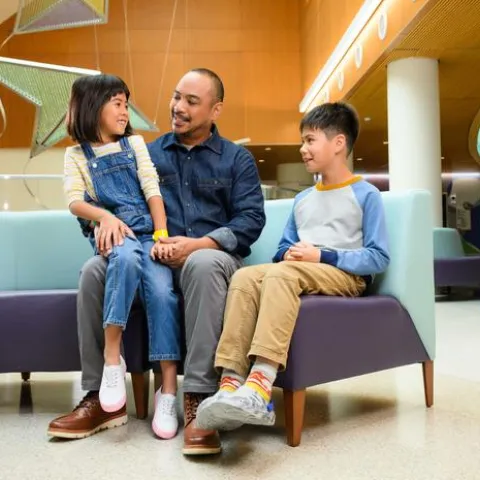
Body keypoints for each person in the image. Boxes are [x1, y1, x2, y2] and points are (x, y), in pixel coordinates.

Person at [48, 69, 266, 454]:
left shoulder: (237, 160)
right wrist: (100, 227)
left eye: (191, 102)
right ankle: (99, 396)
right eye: (176, 97)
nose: (178, 108)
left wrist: (199, 243)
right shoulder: (144, 151)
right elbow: (101, 202)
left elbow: (250, 221)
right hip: (150, 252)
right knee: (93, 272)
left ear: (216, 109)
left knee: (200, 264)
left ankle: (198, 397)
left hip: (210, 260)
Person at [195, 102, 390, 431]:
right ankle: (230, 383)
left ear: (338, 143)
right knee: (244, 276)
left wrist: (321, 255)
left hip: (346, 277)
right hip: (302, 271)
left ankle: (260, 385)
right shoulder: (303, 200)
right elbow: (283, 249)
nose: (303, 148)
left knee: (284, 274)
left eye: (310, 140)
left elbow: (377, 257)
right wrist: (290, 255)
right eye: (303, 141)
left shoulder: (366, 194)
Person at [61, 74, 181, 439]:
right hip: (115, 235)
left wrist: (161, 234)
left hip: (148, 233)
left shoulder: (135, 144)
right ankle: (113, 358)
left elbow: (151, 189)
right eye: (117, 102)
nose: (125, 111)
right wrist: (106, 217)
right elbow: (74, 200)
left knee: (162, 292)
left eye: (126, 103)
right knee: (124, 260)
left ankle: (169, 391)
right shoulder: (75, 154)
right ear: (93, 106)